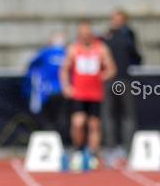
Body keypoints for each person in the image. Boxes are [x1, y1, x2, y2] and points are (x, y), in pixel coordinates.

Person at [59, 20, 116, 169]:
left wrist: (103, 76)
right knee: (78, 123)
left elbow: (111, 69)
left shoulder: (101, 49)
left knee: (94, 124)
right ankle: (79, 149)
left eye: (87, 34)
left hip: (95, 94)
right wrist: (66, 86)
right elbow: (64, 69)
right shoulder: (73, 49)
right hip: (79, 93)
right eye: (82, 34)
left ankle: (92, 153)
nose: (84, 37)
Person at [101, 9, 142, 160]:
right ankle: (111, 147)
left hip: (124, 79)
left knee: (127, 114)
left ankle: (127, 148)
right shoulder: (106, 36)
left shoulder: (126, 35)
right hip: (109, 79)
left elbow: (137, 56)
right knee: (109, 114)